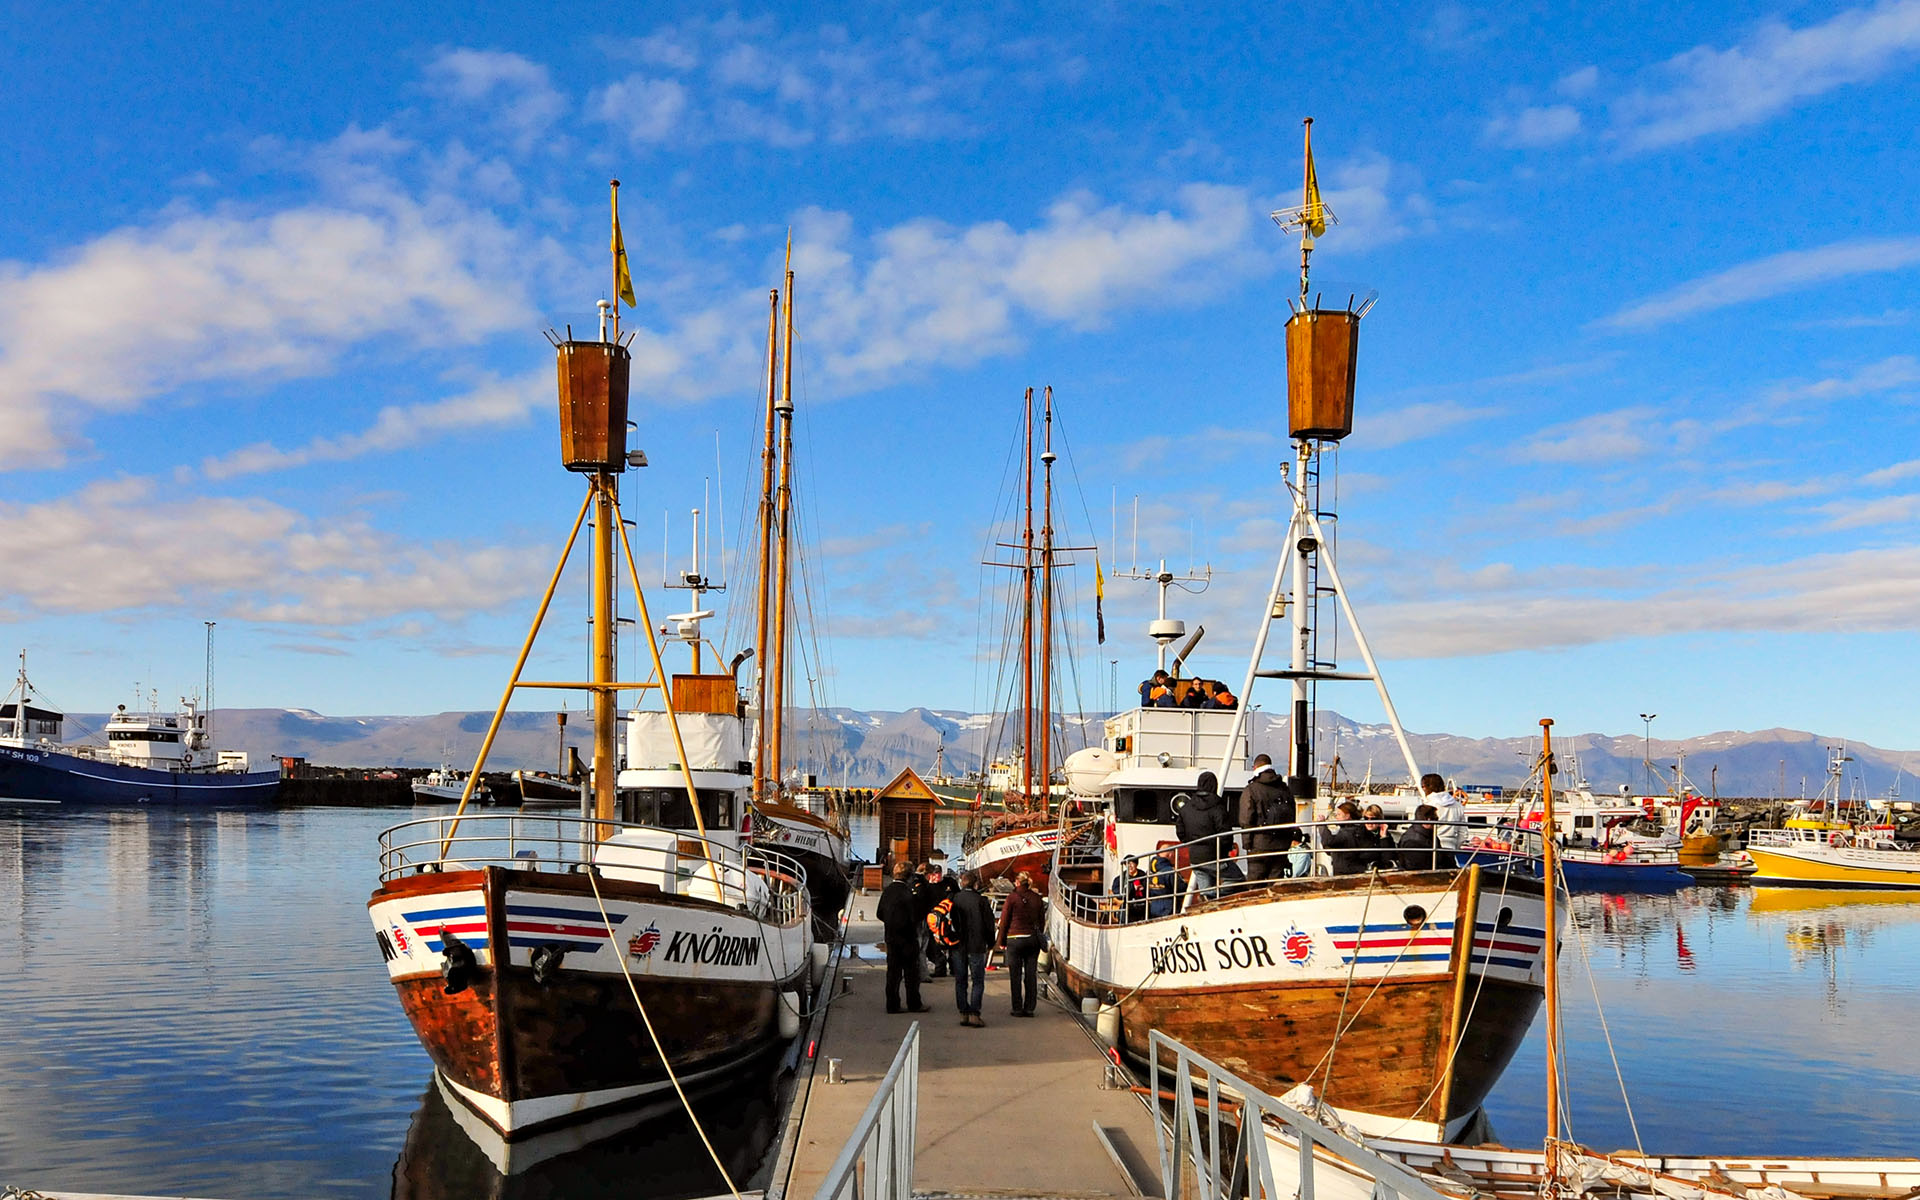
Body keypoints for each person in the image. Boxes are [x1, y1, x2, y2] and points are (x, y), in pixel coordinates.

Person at [876, 862, 930, 1013]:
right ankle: (914, 1003)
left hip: (891, 937)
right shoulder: (908, 893)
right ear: (909, 876)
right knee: (911, 973)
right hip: (908, 937)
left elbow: (879, 913)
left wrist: (890, 921)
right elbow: (917, 915)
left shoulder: (887, 891)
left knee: (893, 973)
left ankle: (892, 1005)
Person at [1173, 772, 1231, 906]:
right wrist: (1224, 851)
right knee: (1237, 880)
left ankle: (1208, 902)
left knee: (1206, 889)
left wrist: (1192, 843)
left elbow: (1180, 831)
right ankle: (1213, 897)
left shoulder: (1186, 807)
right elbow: (1225, 834)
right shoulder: (1218, 807)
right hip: (1214, 856)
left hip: (1195, 858)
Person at [1238, 754, 1296, 882]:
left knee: (1255, 883)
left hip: (1259, 844)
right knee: (1275, 882)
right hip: (1281, 845)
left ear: (1256, 767)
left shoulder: (1252, 789)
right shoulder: (1284, 788)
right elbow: (1292, 814)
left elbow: (1246, 818)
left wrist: (1247, 844)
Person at [995, 871, 1046, 1017]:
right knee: (1031, 974)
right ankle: (1030, 1007)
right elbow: (1041, 922)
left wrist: (1001, 941)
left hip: (1014, 939)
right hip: (1032, 939)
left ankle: (1017, 1008)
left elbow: (1004, 921)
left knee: (1015, 975)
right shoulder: (1037, 898)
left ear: (1017, 883)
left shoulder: (1011, 898)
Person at [949, 870, 996, 1026]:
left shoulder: (954, 899)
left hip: (958, 945)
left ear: (962, 883)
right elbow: (989, 925)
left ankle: (963, 1013)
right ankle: (974, 1013)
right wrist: (991, 942)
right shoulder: (981, 901)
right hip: (976, 945)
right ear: (976, 884)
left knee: (960, 980)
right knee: (977, 981)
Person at [1320, 801, 1375, 875]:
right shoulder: (1361, 829)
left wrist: (1322, 826)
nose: (1337, 817)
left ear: (1347, 816)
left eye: (1339, 814)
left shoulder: (1346, 832)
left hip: (1345, 871)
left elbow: (1328, 841)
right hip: (1359, 869)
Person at [1423, 773, 1466, 858]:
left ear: (1427, 787)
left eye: (1423, 786)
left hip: (1431, 848)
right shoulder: (1458, 806)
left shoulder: (1428, 805)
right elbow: (1463, 834)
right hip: (1451, 848)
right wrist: (1455, 847)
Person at [1396, 803, 1441, 870]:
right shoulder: (1412, 841)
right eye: (1435, 819)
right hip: (1421, 876)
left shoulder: (1429, 835)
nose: (1437, 822)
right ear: (1428, 820)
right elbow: (1417, 868)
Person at [1144, 847, 1178, 917]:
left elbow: (1146, 889)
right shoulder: (1170, 871)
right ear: (1171, 854)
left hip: (1153, 907)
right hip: (1169, 907)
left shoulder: (1148, 872)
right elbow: (1180, 888)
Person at [1114, 855, 1148, 923]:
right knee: (1123, 915)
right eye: (1127, 864)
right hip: (1127, 906)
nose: (1130, 866)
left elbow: (1149, 891)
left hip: (1141, 906)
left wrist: (1143, 889)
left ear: (1136, 864)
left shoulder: (1143, 876)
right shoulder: (1120, 878)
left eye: (1132, 863)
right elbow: (1117, 893)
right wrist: (1132, 888)